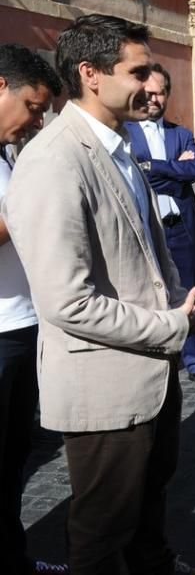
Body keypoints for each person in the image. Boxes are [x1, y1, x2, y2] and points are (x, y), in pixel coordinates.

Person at [2, 15, 195, 575]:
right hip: (104, 384)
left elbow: (144, 252)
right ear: (91, 75)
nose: (153, 83)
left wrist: (179, 304)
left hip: (152, 372)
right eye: (139, 70)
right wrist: (173, 325)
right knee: (101, 534)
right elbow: (66, 302)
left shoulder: (118, 146)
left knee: (148, 511)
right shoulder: (54, 159)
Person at [0, 43, 67, 575]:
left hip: (24, 326)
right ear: (1, 87)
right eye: (32, 106)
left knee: (14, 457)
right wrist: (31, 200)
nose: (36, 120)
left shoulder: (7, 152)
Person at [125, 64, 195, 391]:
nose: (153, 99)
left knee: (192, 293)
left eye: (159, 92)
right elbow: (138, 174)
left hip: (182, 229)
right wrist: (173, 169)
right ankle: (158, 360)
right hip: (144, 231)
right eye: (147, 93)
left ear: (168, 94)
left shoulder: (181, 133)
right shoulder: (126, 132)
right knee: (147, 295)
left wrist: (157, 167)